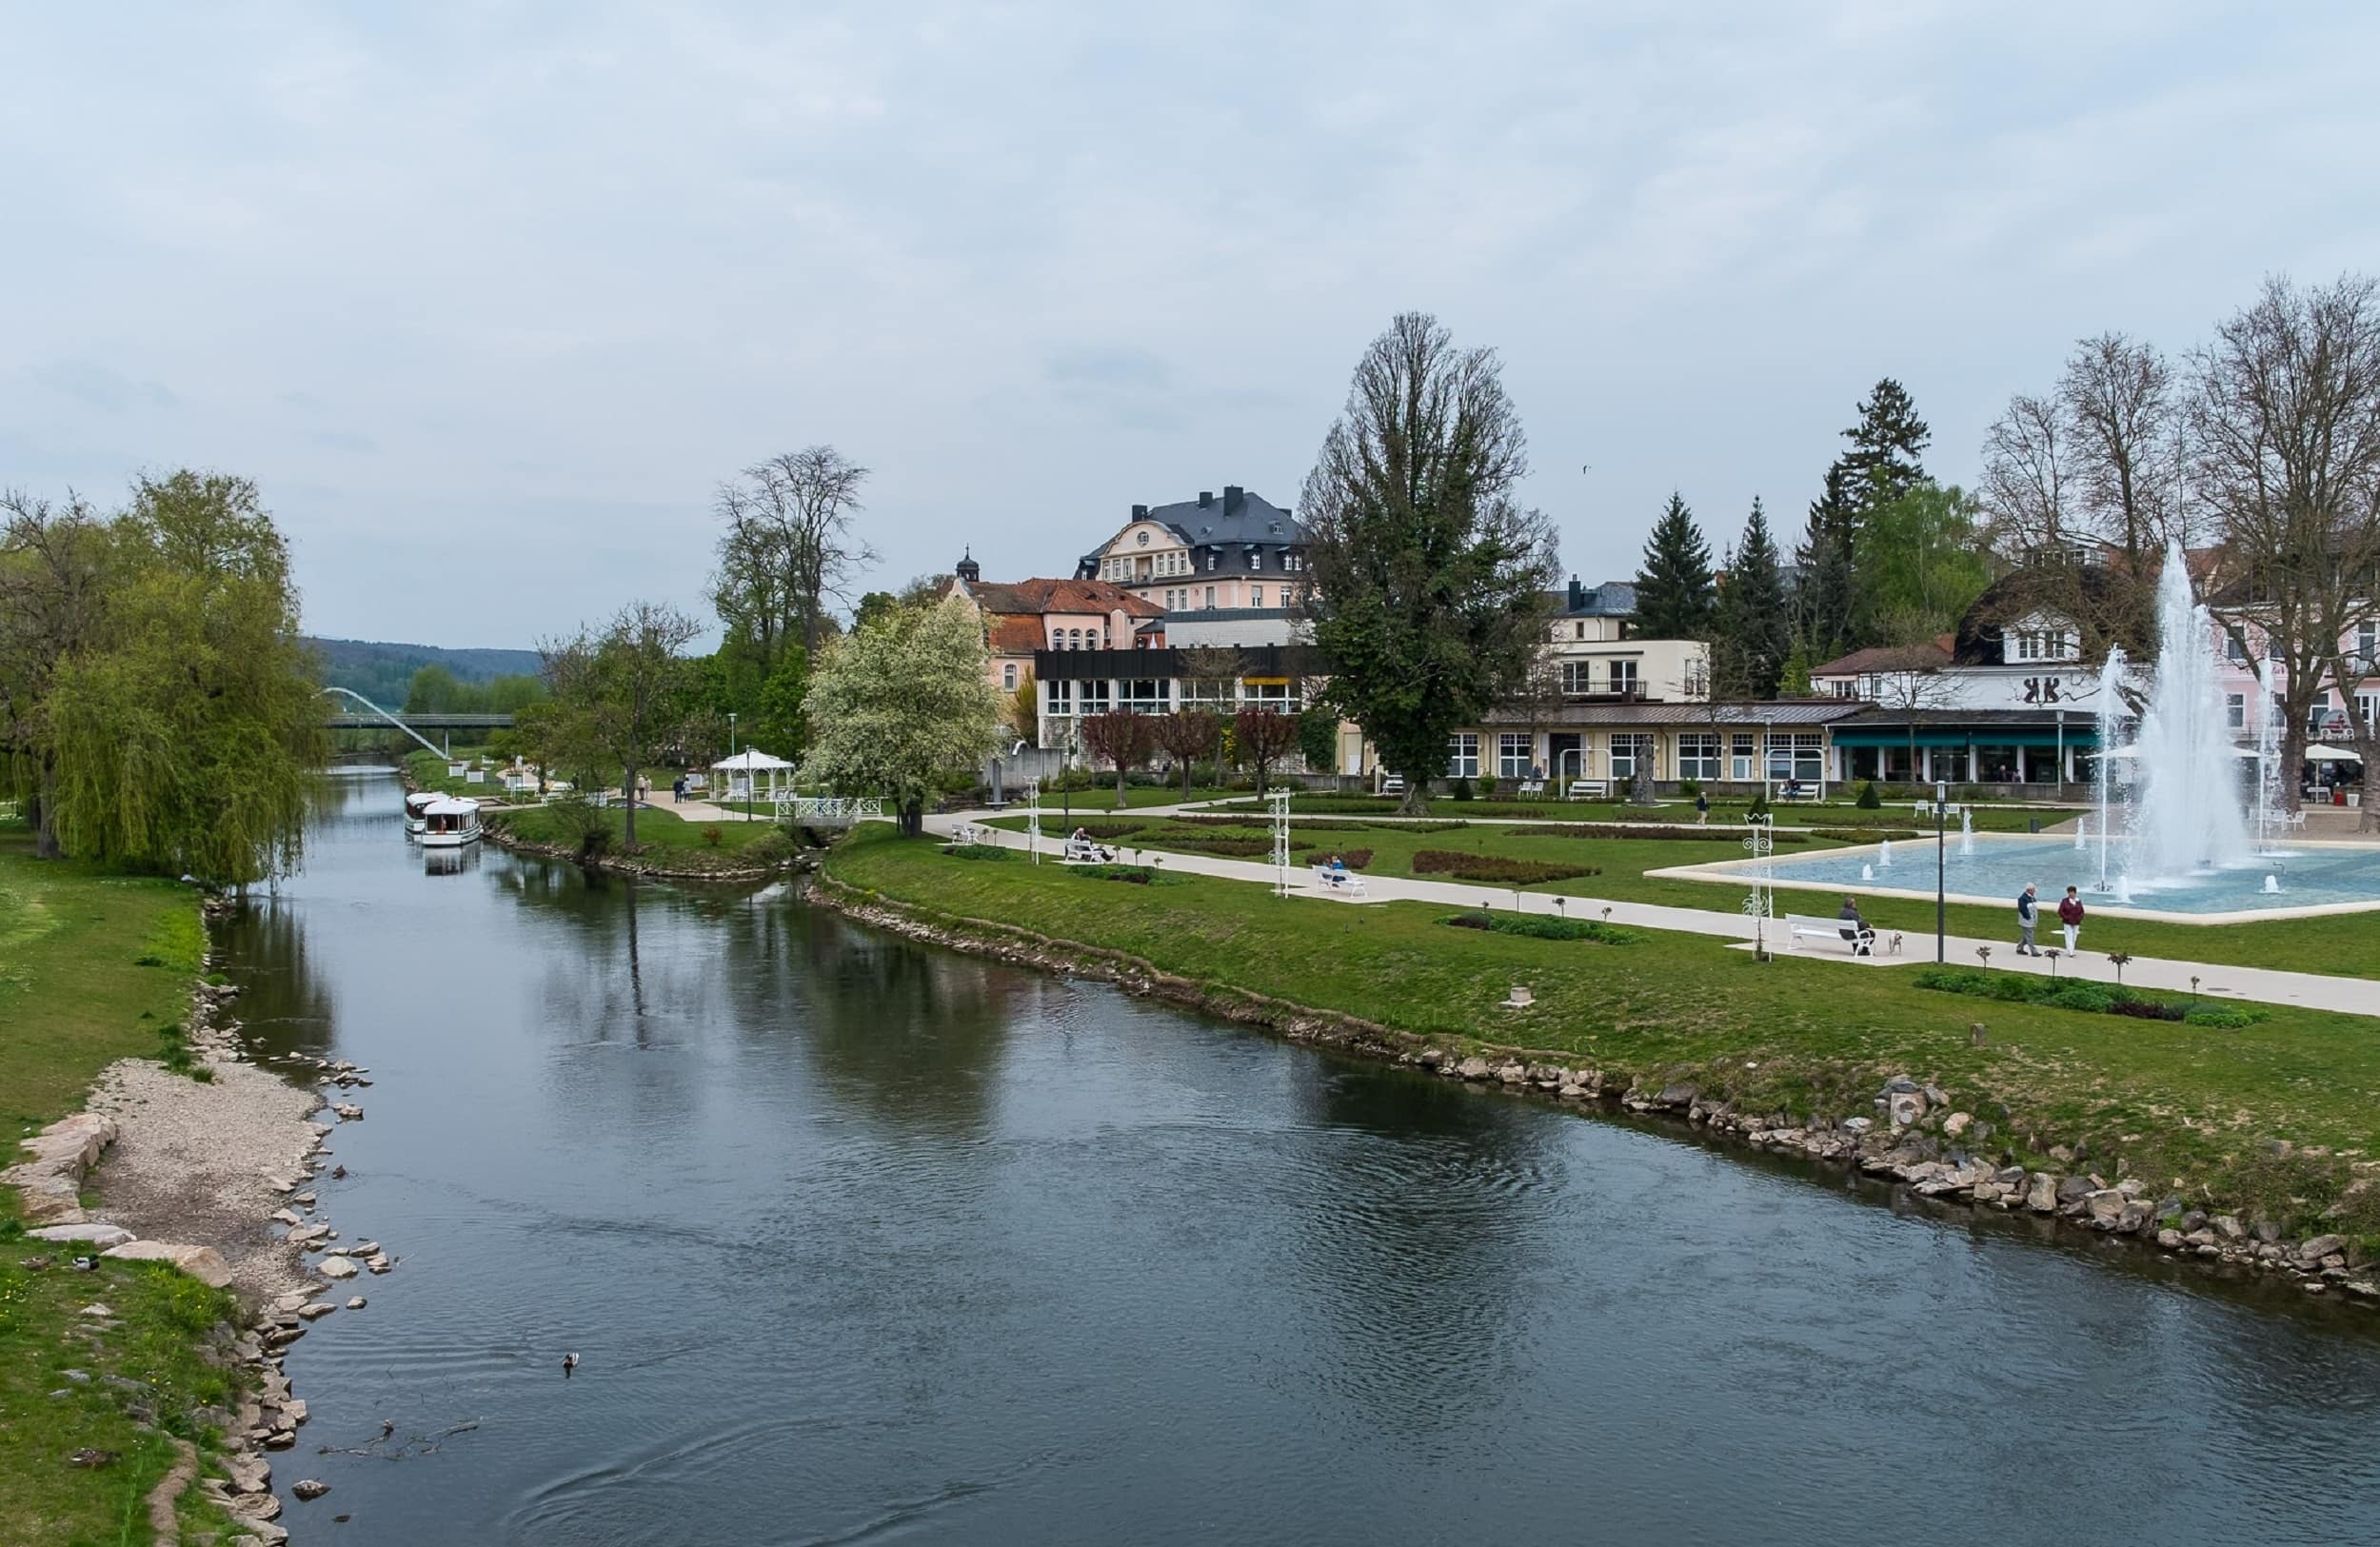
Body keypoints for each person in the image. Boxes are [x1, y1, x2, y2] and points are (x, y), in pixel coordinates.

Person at [2015, 883, 2041, 956]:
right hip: (2026, 921)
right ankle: (2034, 951)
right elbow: (2023, 910)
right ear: (2029, 890)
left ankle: (2019, 948)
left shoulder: (2032, 898)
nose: (2035, 891)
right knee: (2030, 936)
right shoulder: (2023, 899)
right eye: (2033, 890)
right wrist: (2029, 918)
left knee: (2026, 936)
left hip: (2032, 921)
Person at [2057, 885, 2085, 953]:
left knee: (2074, 937)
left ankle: (2071, 949)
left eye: (2072, 892)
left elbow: (2082, 911)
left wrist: (2080, 918)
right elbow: (2060, 911)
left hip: (2076, 922)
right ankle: (2071, 952)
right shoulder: (2064, 901)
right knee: (2069, 936)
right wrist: (2066, 917)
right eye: (2069, 892)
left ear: (2075, 893)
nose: (2071, 894)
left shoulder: (2078, 901)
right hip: (2067, 922)